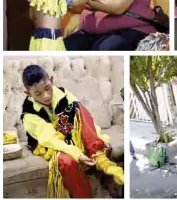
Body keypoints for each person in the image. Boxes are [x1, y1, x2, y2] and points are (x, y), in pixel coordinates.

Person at [20, 65, 124, 198]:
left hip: (69, 133)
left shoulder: (63, 93)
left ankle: (99, 156)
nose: (46, 96)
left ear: (51, 80)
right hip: (50, 144)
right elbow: (50, 139)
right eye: (38, 94)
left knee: (78, 107)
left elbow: (85, 119)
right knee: (67, 162)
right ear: (28, 94)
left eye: (47, 88)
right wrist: (77, 154)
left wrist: (100, 138)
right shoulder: (29, 114)